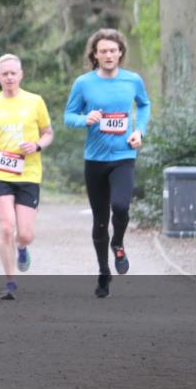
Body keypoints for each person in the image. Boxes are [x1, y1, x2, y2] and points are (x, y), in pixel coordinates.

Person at [63, 29, 151, 298]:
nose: (108, 55)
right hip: (95, 160)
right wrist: (84, 119)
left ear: (121, 52)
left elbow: (144, 105)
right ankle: (103, 271)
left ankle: (119, 242)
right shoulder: (83, 83)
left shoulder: (132, 80)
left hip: (123, 156)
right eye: (103, 51)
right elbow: (69, 115)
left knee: (121, 206)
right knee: (100, 221)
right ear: (95, 54)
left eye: (113, 50)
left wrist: (140, 131)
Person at [0, 54, 54, 300]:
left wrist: (37, 145)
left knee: (25, 233)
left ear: (21, 75)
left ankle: (23, 247)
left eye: (12, 73)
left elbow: (48, 133)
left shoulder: (35, 101)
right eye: (4, 74)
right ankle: (10, 282)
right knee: (6, 227)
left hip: (28, 172)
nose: (8, 77)